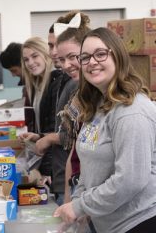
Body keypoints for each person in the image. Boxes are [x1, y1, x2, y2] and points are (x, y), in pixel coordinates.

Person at [54, 27, 156, 233]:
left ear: (117, 57)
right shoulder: (98, 106)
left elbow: (130, 180)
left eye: (100, 54)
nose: (92, 62)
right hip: (107, 223)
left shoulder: (132, 110)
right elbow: (87, 167)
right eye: (85, 57)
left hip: (138, 222)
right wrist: (78, 204)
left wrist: (79, 206)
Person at [32, 12, 91, 206]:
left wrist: (48, 138)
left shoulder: (81, 86)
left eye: (55, 44)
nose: (53, 52)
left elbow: (72, 137)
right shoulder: (64, 79)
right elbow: (69, 134)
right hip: (68, 179)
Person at [18, 36, 60, 181]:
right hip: (47, 161)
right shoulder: (36, 85)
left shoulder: (56, 82)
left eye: (35, 56)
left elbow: (55, 130)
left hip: (56, 166)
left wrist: (47, 171)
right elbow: (45, 130)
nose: (30, 63)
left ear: (46, 54)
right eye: (26, 59)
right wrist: (35, 136)